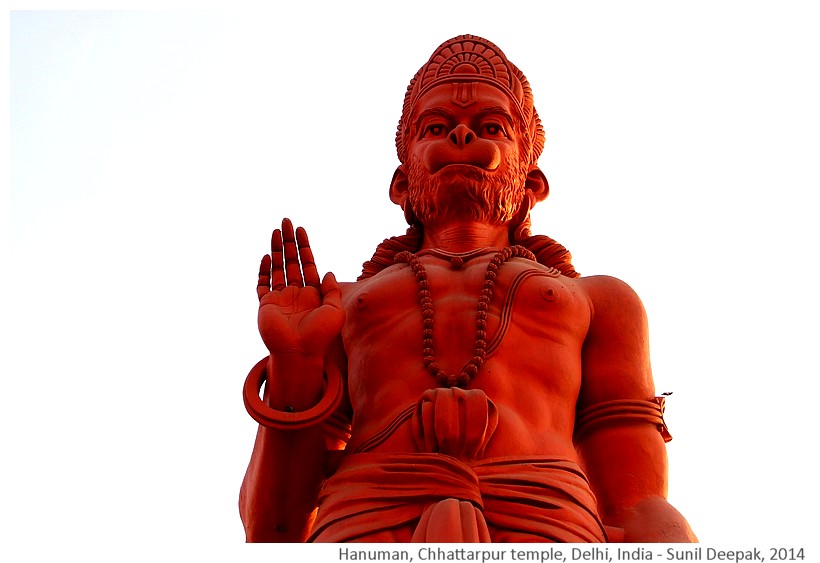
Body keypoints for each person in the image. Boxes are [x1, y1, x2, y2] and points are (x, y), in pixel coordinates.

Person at [239, 35, 697, 543]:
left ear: (531, 181)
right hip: (366, 527)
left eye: (491, 127)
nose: (460, 135)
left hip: (545, 527)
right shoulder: (340, 306)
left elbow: (638, 499)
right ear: (401, 183)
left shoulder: (600, 301)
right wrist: (295, 364)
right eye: (435, 127)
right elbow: (272, 528)